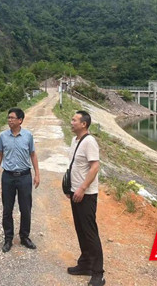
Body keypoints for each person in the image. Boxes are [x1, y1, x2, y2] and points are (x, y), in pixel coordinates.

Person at [0, 107, 40, 253]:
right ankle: (8, 238)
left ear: (20, 120)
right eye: (8, 118)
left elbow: (33, 155)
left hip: (25, 176)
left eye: (12, 118)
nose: (9, 120)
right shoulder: (3, 136)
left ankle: (25, 237)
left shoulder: (28, 136)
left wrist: (37, 174)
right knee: (7, 209)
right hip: (8, 177)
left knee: (25, 208)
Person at [67, 110, 105, 286]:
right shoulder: (75, 140)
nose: (72, 122)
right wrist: (71, 188)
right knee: (80, 230)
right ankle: (85, 264)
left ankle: (98, 273)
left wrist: (82, 188)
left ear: (84, 124)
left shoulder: (90, 142)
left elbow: (95, 167)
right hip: (76, 193)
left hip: (86, 195)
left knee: (90, 233)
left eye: (75, 120)